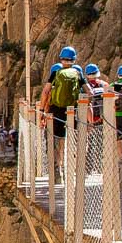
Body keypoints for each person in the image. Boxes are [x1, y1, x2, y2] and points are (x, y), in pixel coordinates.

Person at [42, 48, 82, 179]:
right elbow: (89, 93)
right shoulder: (77, 73)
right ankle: (72, 169)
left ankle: (58, 169)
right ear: (74, 59)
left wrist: (42, 110)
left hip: (56, 112)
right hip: (73, 111)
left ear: (61, 59)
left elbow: (46, 92)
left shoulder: (56, 73)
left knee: (57, 141)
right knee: (72, 140)